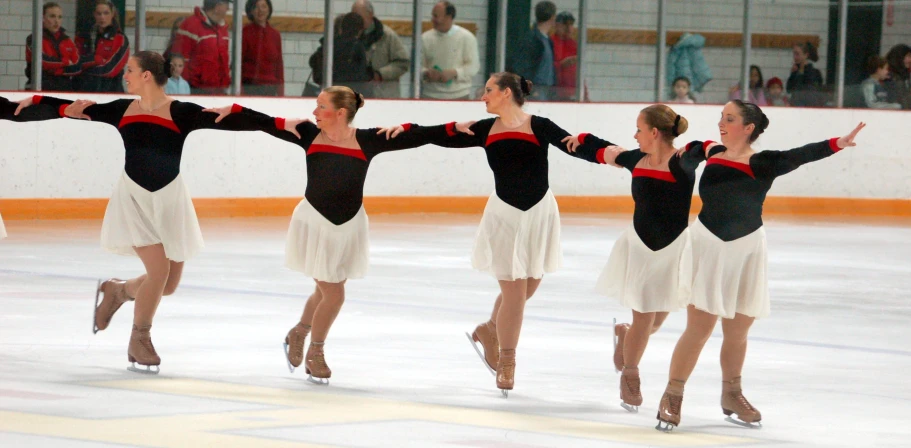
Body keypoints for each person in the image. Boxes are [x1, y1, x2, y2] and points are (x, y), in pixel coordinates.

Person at [13, 51, 295, 375]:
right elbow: (71, 108)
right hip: (133, 200)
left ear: (147, 75)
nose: (125, 76)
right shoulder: (120, 110)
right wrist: (35, 100)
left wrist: (280, 123)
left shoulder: (182, 112)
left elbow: (236, 122)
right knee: (158, 272)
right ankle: (140, 339)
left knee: (167, 284)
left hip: (170, 201)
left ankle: (117, 291)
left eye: (130, 70)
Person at [203, 86, 454, 385]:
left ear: (341, 113)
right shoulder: (308, 134)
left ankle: (299, 331)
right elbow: (265, 122)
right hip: (314, 224)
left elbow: (420, 136)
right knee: (334, 293)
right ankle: (316, 353)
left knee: (325, 291)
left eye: (321, 106)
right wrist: (235, 109)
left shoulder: (368, 140)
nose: (314, 112)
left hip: (349, 226)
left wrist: (449, 128)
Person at [380, 72, 609, 396]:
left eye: (488, 91)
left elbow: (574, 145)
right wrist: (404, 130)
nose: (483, 96)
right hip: (504, 216)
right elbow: (436, 134)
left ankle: (490, 328)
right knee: (515, 294)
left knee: (528, 286)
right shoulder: (485, 129)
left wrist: (608, 154)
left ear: (505, 93)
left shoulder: (539, 126)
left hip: (540, 213)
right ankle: (507, 360)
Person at [655, 100, 865, 431]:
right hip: (708, 246)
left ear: (748, 128)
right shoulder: (711, 153)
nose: (721, 122)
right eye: (722, 117)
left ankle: (732, 394)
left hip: (747, 249)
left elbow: (801, 154)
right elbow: (683, 160)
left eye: (730, 118)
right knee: (700, 328)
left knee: (738, 330)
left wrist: (837, 143)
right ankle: (672, 394)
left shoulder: (763, 162)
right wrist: (696, 151)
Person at [566, 105, 705, 413]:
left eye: (639, 130)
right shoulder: (635, 160)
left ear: (654, 133)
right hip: (640, 248)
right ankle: (630, 377)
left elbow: (703, 150)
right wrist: (581, 138)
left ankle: (625, 336)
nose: (635, 135)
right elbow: (602, 150)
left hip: (674, 250)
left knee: (655, 321)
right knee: (644, 315)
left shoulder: (682, 162)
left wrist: (700, 147)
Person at [170, 0, 231, 95]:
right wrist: (186, 91)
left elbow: (224, 62)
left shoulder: (222, 29)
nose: (228, 8)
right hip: (196, 91)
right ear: (217, 6)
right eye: (226, 5)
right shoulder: (190, 26)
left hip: (219, 92)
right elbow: (180, 60)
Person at [421, 1, 480, 100]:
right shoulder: (424, 38)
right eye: (433, 16)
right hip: (430, 95)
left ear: (449, 17)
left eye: (436, 16)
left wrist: (454, 73)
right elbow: (416, 66)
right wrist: (426, 73)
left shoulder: (467, 37)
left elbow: (473, 67)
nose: (432, 19)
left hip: (459, 96)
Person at [351, 0, 410, 98]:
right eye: (353, 17)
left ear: (370, 14)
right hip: (358, 97)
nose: (356, 20)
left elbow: (403, 63)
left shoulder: (388, 36)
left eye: (359, 16)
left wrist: (380, 74)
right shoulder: (350, 38)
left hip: (385, 97)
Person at [75, 0, 129, 93]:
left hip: (111, 91)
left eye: (106, 13)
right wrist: (97, 60)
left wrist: (86, 69)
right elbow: (75, 63)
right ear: (94, 15)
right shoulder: (85, 36)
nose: (102, 17)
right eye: (99, 14)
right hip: (85, 90)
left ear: (112, 14)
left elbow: (111, 69)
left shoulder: (120, 38)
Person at [26, 2, 81, 91]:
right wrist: (66, 62)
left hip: (65, 89)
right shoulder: (34, 38)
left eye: (59, 17)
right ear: (43, 18)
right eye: (52, 16)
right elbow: (41, 62)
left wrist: (54, 70)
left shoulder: (67, 40)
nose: (56, 21)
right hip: (41, 88)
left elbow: (77, 67)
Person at [242, 0, 284, 96]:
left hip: (270, 89)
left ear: (269, 9)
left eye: (263, 6)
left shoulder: (275, 35)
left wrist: (281, 95)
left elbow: (279, 66)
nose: (260, 10)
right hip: (249, 88)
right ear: (251, 11)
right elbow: (239, 64)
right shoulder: (245, 32)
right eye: (256, 7)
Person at [786, 42, 825, 107]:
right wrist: (792, 74)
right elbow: (789, 89)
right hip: (796, 106)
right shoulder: (795, 72)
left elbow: (807, 89)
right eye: (794, 54)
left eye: (797, 54)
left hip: (809, 107)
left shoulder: (814, 72)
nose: (795, 57)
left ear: (806, 55)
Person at [551, 11, 578, 100]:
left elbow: (579, 71)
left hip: (573, 93)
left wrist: (585, 94)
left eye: (571, 24)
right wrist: (561, 65)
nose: (569, 28)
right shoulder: (550, 42)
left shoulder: (574, 45)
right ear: (557, 25)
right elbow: (545, 68)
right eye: (565, 24)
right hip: (555, 92)